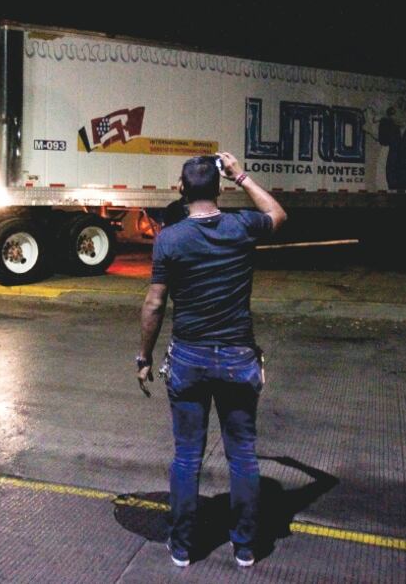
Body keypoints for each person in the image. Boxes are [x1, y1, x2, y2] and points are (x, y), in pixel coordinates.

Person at [137, 152, 286, 568]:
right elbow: (276, 212)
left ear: (181, 189)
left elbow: (154, 304)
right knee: (243, 455)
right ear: (219, 187)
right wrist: (243, 175)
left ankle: (183, 547)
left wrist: (143, 356)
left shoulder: (170, 238)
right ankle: (245, 546)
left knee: (187, 456)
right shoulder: (242, 227)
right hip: (238, 358)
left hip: (189, 358)